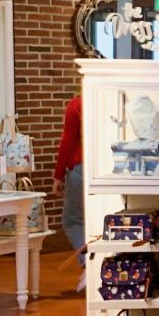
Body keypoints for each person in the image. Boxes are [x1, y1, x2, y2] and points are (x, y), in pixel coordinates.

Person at [52, 95, 85, 293]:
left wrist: (58, 175)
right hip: (108, 164)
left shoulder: (77, 104)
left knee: (72, 220)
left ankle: (89, 264)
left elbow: (68, 140)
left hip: (80, 167)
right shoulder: (113, 96)